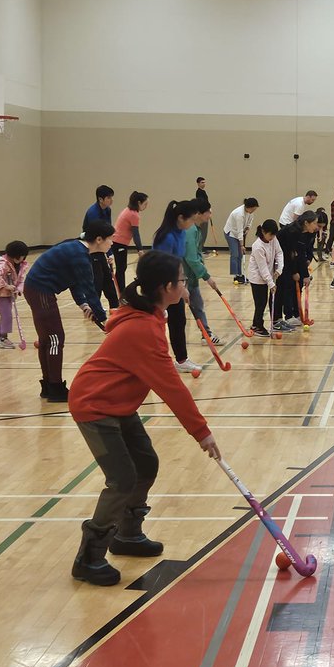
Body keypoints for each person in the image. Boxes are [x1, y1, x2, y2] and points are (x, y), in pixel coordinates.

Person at [68, 250, 221, 586]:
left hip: (119, 405)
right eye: (182, 280)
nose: (185, 286)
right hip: (95, 406)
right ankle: (89, 558)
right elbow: (172, 388)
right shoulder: (143, 329)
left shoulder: (151, 315)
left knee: (146, 464)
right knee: (122, 478)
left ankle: (127, 534)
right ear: (166, 287)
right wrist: (202, 432)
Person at [24, 221, 113, 402]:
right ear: (98, 239)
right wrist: (105, 320)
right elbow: (90, 290)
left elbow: (75, 282)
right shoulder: (80, 256)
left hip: (37, 289)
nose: (112, 243)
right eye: (110, 239)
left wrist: (84, 305)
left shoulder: (77, 249)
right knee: (55, 338)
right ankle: (56, 389)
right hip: (41, 290)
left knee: (47, 340)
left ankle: (49, 386)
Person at [153, 199, 201, 375]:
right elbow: (163, 266)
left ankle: (181, 360)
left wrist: (183, 284)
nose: (193, 223)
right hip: (159, 284)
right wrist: (178, 288)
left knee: (178, 320)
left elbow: (178, 262)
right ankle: (154, 360)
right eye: (191, 219)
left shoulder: (181, 232)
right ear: (181, 218)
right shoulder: (167, 237)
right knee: (156, 323)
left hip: (173, 283)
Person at [184, 199, 221, 344]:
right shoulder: (190, 230)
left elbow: (196, 255)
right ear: (199, 213)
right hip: (182, 278)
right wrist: (207, 276)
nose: (210, 215)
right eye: (208, 212)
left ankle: (206, 334)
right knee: (174, 312)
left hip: (191, 276)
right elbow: (191, 258)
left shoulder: (196, 229)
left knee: (197, 305)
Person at [277, 210, 318, 329]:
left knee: (297, 286)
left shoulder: (304, 233)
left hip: (289, 259)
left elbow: (300, 254)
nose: (316, 226)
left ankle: (296, 314)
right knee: (287, 287)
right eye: (314, 223)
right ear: (306, 223)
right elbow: (290, 255)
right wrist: (294, 272)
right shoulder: (292, 232)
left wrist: (304, 274)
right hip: (280, 260)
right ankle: (287, 317)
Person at [82, 184, 119, 310]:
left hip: (102, 247)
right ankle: (94, 308)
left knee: (108, 279)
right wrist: (106, 252)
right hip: (93, 248)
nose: (111, 200)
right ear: (100, 199)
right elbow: (97, 234)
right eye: (109, 198)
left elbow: (107, 232)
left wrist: (110, 253)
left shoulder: (107, 210)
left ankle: (115, 307)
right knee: (97, 280)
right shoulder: (93, 212)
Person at [248, 219, 283, 337]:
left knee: (263, 301)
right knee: (260, 303)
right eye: (270, 235)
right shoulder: (257, 246)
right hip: (257, 278)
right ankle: (257, 326)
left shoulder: (273, 239)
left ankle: (256, 324)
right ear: (263, 232)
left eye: (274, 235)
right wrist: (271, 284)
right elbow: (262, 268)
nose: (272, 237)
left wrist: (279, 269)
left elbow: (279, 253)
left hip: (268, 275)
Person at [0, 240, 29, 349]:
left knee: (6, 315)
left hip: (9, 294)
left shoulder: (20, 265)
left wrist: (18, 289)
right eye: (22, 256)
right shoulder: (2, 264)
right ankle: (2, 338)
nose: (23, 258)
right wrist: (6, 286)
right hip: (0, 293)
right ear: (15, 255)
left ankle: (0, 336)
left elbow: (21, 279)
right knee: (7, 315)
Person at [112, 191, 148, 293]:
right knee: (121, 268)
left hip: (118, 242)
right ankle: (121, 292)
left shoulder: (128, 211)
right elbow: (136, 234)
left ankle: (120, 291)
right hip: (119, 243)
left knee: (121, 268)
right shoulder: (133, 215)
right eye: (145, 204)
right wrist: (140, 250)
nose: (146, 207)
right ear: (139, 203)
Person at [224, 197, 259, 285]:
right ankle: (235, 275)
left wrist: (248, 228)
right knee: (235, 254)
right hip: (231, 233)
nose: (254, 211)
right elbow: (239, 230)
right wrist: (241, 245)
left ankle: (240, 274)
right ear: (248, 207)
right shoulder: (239, 214)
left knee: (240, 255)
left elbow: (250, 221)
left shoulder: (250, 212)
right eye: (253, 209)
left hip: (239, 233)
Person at [194, 177, 210, 248]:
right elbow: (202, 203)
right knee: (203, 232)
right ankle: (200, 247)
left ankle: (201, 247)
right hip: (203, 213)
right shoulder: (199, 192)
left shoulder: (203, 192)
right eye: (202, 182)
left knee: (204, 232)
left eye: (204, 182)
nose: (204, 184)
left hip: (205, 213)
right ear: (198, 183)